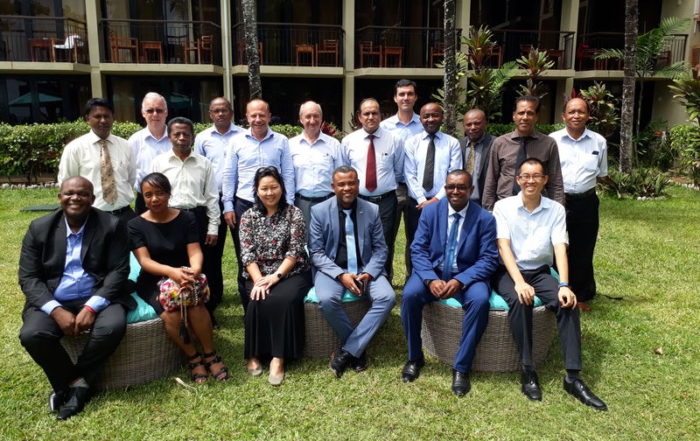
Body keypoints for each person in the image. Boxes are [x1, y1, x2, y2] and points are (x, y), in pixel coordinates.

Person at [492, 158, 606, 410]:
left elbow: (560, 248)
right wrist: (519, 282)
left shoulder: (555, 209)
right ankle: (528, 370)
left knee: (568, 303)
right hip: (509, 271)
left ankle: (573, 377)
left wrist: (564, 284)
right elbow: (503, 246)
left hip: (540, 271)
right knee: (521, 300)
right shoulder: (503, 207)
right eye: (525, 176)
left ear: (545, 180)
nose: (530, 181)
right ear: (518, 180)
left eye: (536, 176)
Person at [19, 176, 133, 420]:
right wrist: (55, 309)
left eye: (82, 194)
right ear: (59, 197)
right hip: (55, 298)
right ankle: (76, 384)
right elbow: (28, 277)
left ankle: (70, 388)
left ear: (92, 199)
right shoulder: (39, 228)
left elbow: (119, 271)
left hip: (98, 295)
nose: (75, 198)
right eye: (69, 193)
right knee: (32, 334)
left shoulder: (111, 225)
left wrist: (92, 307)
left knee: (112, 327)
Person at [401, 170, 498, 396]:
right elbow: (418, 249)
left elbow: (489, 259)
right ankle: (415, 357)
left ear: (471, 190)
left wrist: (460, 280)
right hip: (433, 272)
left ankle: (461, 367)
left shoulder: (484, 218)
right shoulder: (430, 212)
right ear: (444, 189)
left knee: (480, 301)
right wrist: (430, 278)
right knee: (409, 295)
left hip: (466, 274)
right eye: (450, 187)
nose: (455, 191)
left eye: (461, 187)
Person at [128, 172, 229, 383]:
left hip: (185, 273)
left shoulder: (186, 218)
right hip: (153, 279)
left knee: (195, 304)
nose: (154, 199)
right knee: (171, 314)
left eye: (159, 193)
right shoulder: (135, 225)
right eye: (148, 195)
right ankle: (193, 358)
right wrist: (171, 272)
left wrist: (195, 270)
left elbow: (194, 251)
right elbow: (145, 261)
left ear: (169, 194)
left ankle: (210, 354)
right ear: (143, 198)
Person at [308, 166, 396, 379]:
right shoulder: (319, 211)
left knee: (388, 297)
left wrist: (369, 273)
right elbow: (316, 252)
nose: (347, 188)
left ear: (358, 184)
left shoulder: (371, 210)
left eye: (351, 183)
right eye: (341, 184)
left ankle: (348, 351)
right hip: (333, 270)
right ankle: (357, 349)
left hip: (366, 268)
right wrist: (340, 275)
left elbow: (381, 249)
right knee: (327, 299)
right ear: (333, 187)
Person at [239, 167, 311, 386]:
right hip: (258, 272)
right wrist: (259, 280)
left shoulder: (294, 213)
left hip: (290, 271)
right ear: (256, 190)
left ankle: (278, 358)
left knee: (282, 299)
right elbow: (247, 253)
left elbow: (295, 251)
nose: (269, 193)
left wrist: (276, 276)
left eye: (274, 187)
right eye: (264, 188)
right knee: (257, 298)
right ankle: (253, 353)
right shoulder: (248, 216)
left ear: (282, 188)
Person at [222, 98, 296, 310]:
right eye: (253, 115)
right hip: (245, 205)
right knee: (246, 257)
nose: (257, 119)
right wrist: (228, 205)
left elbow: (288, 173)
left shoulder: (281, 141)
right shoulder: (236, 141)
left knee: (277, 254)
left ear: (269, 116)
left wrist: (289, 204)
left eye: (261, 115)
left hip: (275, 205)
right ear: (246, 117)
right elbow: (229, 174)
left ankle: (273, 300)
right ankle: (250, 306)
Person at [150, 117, 222, 324]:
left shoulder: (204, 163)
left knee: (202, 264)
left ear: (193, 137)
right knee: (173, 262)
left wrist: (213, 227)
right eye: (177, 134)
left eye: (186, 134)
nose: (181, 138)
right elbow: (154, 194)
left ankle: (206, 310)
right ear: (169, 136)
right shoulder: (159, 162)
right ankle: (176, 307)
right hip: (169, 217)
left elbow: (212, 197)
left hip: (196, 217)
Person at [550, 98, 611, 306]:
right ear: (563, 116)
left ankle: (582, 293)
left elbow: (602, 173)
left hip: (587, 201)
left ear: (588, 116)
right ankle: (556, 289)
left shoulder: (598, 141)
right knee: (556, 246)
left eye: (581, 112)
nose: (576, 115)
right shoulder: (553, 140)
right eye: (571, 112)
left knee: (584, 247)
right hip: (558, 201)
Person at [341, 98, 403, 279]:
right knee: (358, 240)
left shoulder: (394, 140)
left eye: (374, 113)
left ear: (380, 115)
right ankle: (359, 278)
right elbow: (345, 171)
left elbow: (399, 171)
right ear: (359, 117)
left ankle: (383, 280)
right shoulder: (348, 141)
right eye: (366, 113)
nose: (370, 117)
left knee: (384, 242)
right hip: (358, 200)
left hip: (386, 201)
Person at [403, 102, 462, 277]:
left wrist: (436, 200)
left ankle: (439, 276)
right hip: (416, 203)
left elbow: (453, 175)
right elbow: (409, 174)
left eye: (435, 115)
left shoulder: (452, 143)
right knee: (415, 241)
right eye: (426, 116)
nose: (430, 119)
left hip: (444, 202)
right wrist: (423, 201)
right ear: (420, 119)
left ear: (442, 117)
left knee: (441, 240)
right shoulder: (412, 143)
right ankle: (414, 277)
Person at [57, 98, 136, 224]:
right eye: (97, 116)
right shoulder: (75, 148)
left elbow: (131, 179)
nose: (103, 120)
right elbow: (66, 183)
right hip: (91, 216)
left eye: (107, 116)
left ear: (113, 118)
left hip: (124, 215)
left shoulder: (125, 146)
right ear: (87, 119)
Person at [482, 96, 565, 211]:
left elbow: (555, 182)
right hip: (505, 207)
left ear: (536, 117)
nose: (525, 117)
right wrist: (489, 210)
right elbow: (491, 179)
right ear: (514, 116)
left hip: (538, 208)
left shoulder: (548, 144)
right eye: (521, 113)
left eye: (530, 113)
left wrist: (559, 210)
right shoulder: (500, 143)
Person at [380, 80, 422, 283]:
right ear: (395, 98)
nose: (406, 97)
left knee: (416, 237)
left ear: (415, 97)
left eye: (410, 94)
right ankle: (385, 278)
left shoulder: (424, 124)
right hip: (393, 188)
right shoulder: (384, 127)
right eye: (402, 94)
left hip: (418, 189)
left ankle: (412, 278)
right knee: (387, 236)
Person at [289, 101, 343, 224]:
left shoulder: (334, 144)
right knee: (303, 236)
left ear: (321, 118)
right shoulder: (291, 145)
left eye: (316, 116)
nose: (312, 120)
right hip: (300, 204)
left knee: (329, 236)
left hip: (328, 203)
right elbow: (288, 177)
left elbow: (340, 176)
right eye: (308, 116)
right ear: (301, 119)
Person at [128, 92, 172, 214]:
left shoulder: (175, 139)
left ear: (166, 112)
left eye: (159, 110)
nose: (155, 114)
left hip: (173, 199)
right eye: (150, 110)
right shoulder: (134, 141)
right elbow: (129, 172)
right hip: (144, 201)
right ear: (143, 113)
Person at [460, 108, 494, 206]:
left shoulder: (495, 143)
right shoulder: (458, 144)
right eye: (468, 124)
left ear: (485, 123)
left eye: (477, 123)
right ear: (464, 126)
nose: (473, 127)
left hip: (485, 200)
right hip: (462, 200)